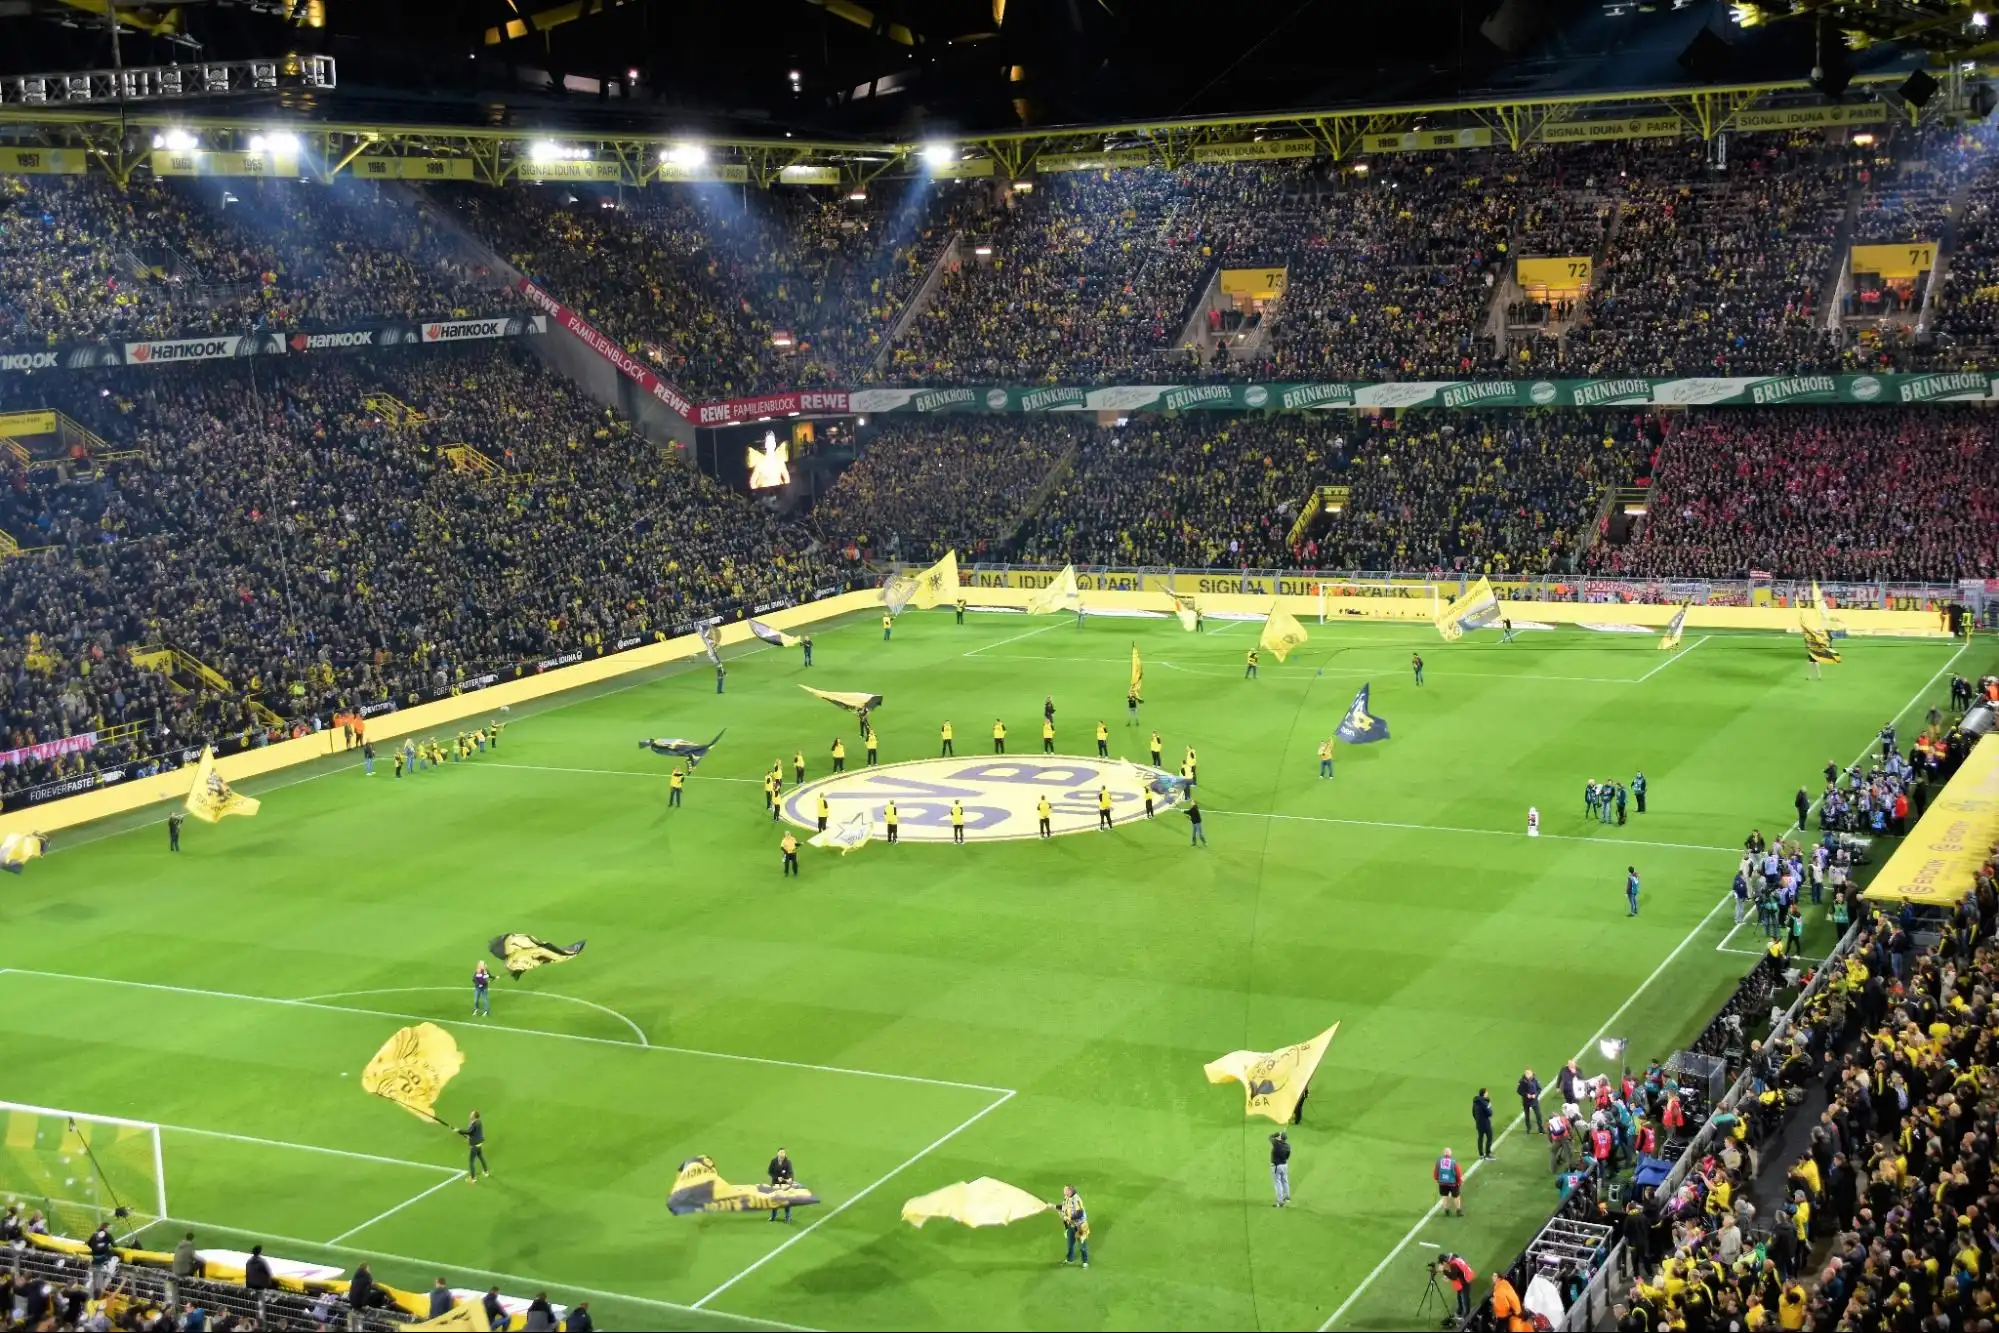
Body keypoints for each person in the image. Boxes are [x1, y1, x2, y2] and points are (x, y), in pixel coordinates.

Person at [1058, 1185, 1089, 1266]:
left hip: (1080, 1226)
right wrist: (1053, 1206)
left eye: (1065, 1190)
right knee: (1070, 1244)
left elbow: (1080, 1213)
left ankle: (1085, 1262)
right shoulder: (1066, 1198)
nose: (1064, 1191)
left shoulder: (1076, 1199)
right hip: (1071, 1225)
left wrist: (1069, 1218)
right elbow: (1064, 1207)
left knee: (1082, 1246)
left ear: (1070, 1191)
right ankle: (1070, 1259)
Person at [459, 1111, 489, 1182]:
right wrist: (468, 1137)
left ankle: (473, 1178)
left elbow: (469, 1132)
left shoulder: (474, 1123)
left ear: (474, 1116)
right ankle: (486, 1172)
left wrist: (459, 1130)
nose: (470, 1115)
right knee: (481, 1157)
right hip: (479, 1144)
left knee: (471, 1161)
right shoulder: (478, 1122)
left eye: (471, 1114)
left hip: (474, 1146)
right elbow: (474, 1133)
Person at [768, 1148, 796, 1222]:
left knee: (786, 1201)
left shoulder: (788, 1162)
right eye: (781, 1152)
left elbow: (790, 1172)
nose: (782, 1154)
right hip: (775, 1183)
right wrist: (776, 1177)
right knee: (775, 1200)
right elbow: (770, 1172)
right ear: (777, 1153)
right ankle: (773, 1217)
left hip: (785, 1184)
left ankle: (787, 1218)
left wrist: (790, 1178)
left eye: (783, 1152)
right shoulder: (773, 1161)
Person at [1434, 1147, 1464, 1216]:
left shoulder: (1439, 1161)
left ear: (1443, 1153)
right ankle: (1458, 1211)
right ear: (1450, 1154)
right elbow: (1458, 1173)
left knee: (1445, 1196)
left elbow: (1436, 1172)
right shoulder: (1453, 1162)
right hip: (1452, 1183)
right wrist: (1460, 1181)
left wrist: (1436, 1178)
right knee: (1456, 1196)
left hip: (1442, 1182)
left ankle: (1446, 1211)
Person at [1517, 1068, 1544, 1132]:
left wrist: (1536, 1095)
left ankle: (1541, 1129)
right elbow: (1519, 1091)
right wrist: (1526, 1095)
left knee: (1538, 1115)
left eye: (1529, 1073)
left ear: (1532, 1074)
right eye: (1526, 1073)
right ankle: (1528, 1128)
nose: (1527, 1075)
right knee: (1527, 1116)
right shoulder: (1522, 1081)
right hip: (1526, 1101)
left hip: (1534, 1101)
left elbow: (1539, 1089)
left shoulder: (1535, 1080)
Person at [1269, 1131, 1292, 1207]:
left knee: (1278, 1183)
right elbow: (1287, 1156)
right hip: (1284, 1165)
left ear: (1280, 1137)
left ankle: (1280, 1201)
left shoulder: (1276, 1144)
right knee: (1285, 1181)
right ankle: (1287, 1197)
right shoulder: (1288, 1146)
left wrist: (1276, 1134)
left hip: (1277, 1166)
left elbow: (1270, 1137)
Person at [1473, 1088, 1495, 1159]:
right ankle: (1488, 1154)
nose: (1487, 1094)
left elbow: (1473, 1112)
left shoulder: (1475, 1102)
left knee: (1480, 1138)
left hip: (1478, 1123)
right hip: (1485, 1123)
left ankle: (1481, 1154)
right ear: (1484, 1094)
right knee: (1489, 1137)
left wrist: (1477, 1119)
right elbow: (1489, 1113)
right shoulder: (1485, 1103)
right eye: (1486, 1093)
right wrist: (1490, 1107)